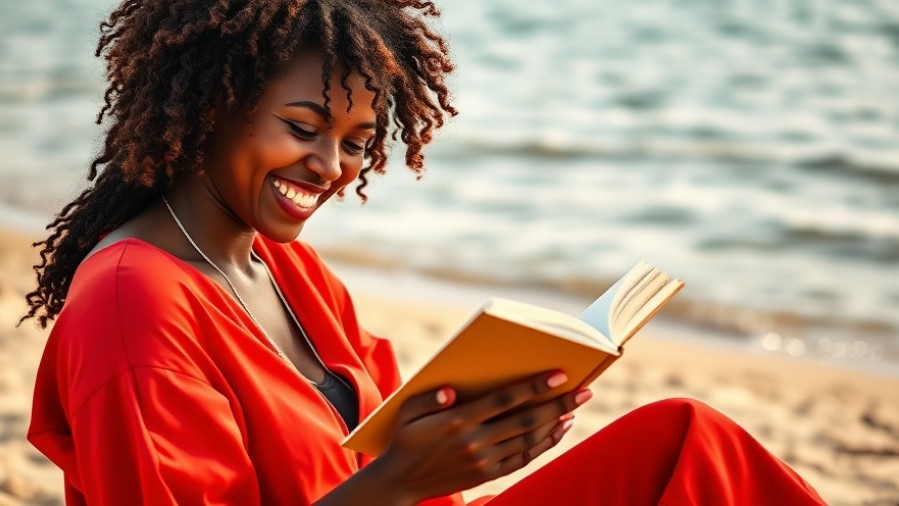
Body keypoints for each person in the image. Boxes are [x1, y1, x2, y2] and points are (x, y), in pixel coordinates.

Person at [22, 0, 826, 504]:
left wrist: (481, 432)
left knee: (685, 443)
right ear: (207, 107)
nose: (330, 167)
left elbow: (377, 441)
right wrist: (400, 481)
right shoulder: (135, 301)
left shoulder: (285, 268)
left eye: (356, 143)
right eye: (303, 129)